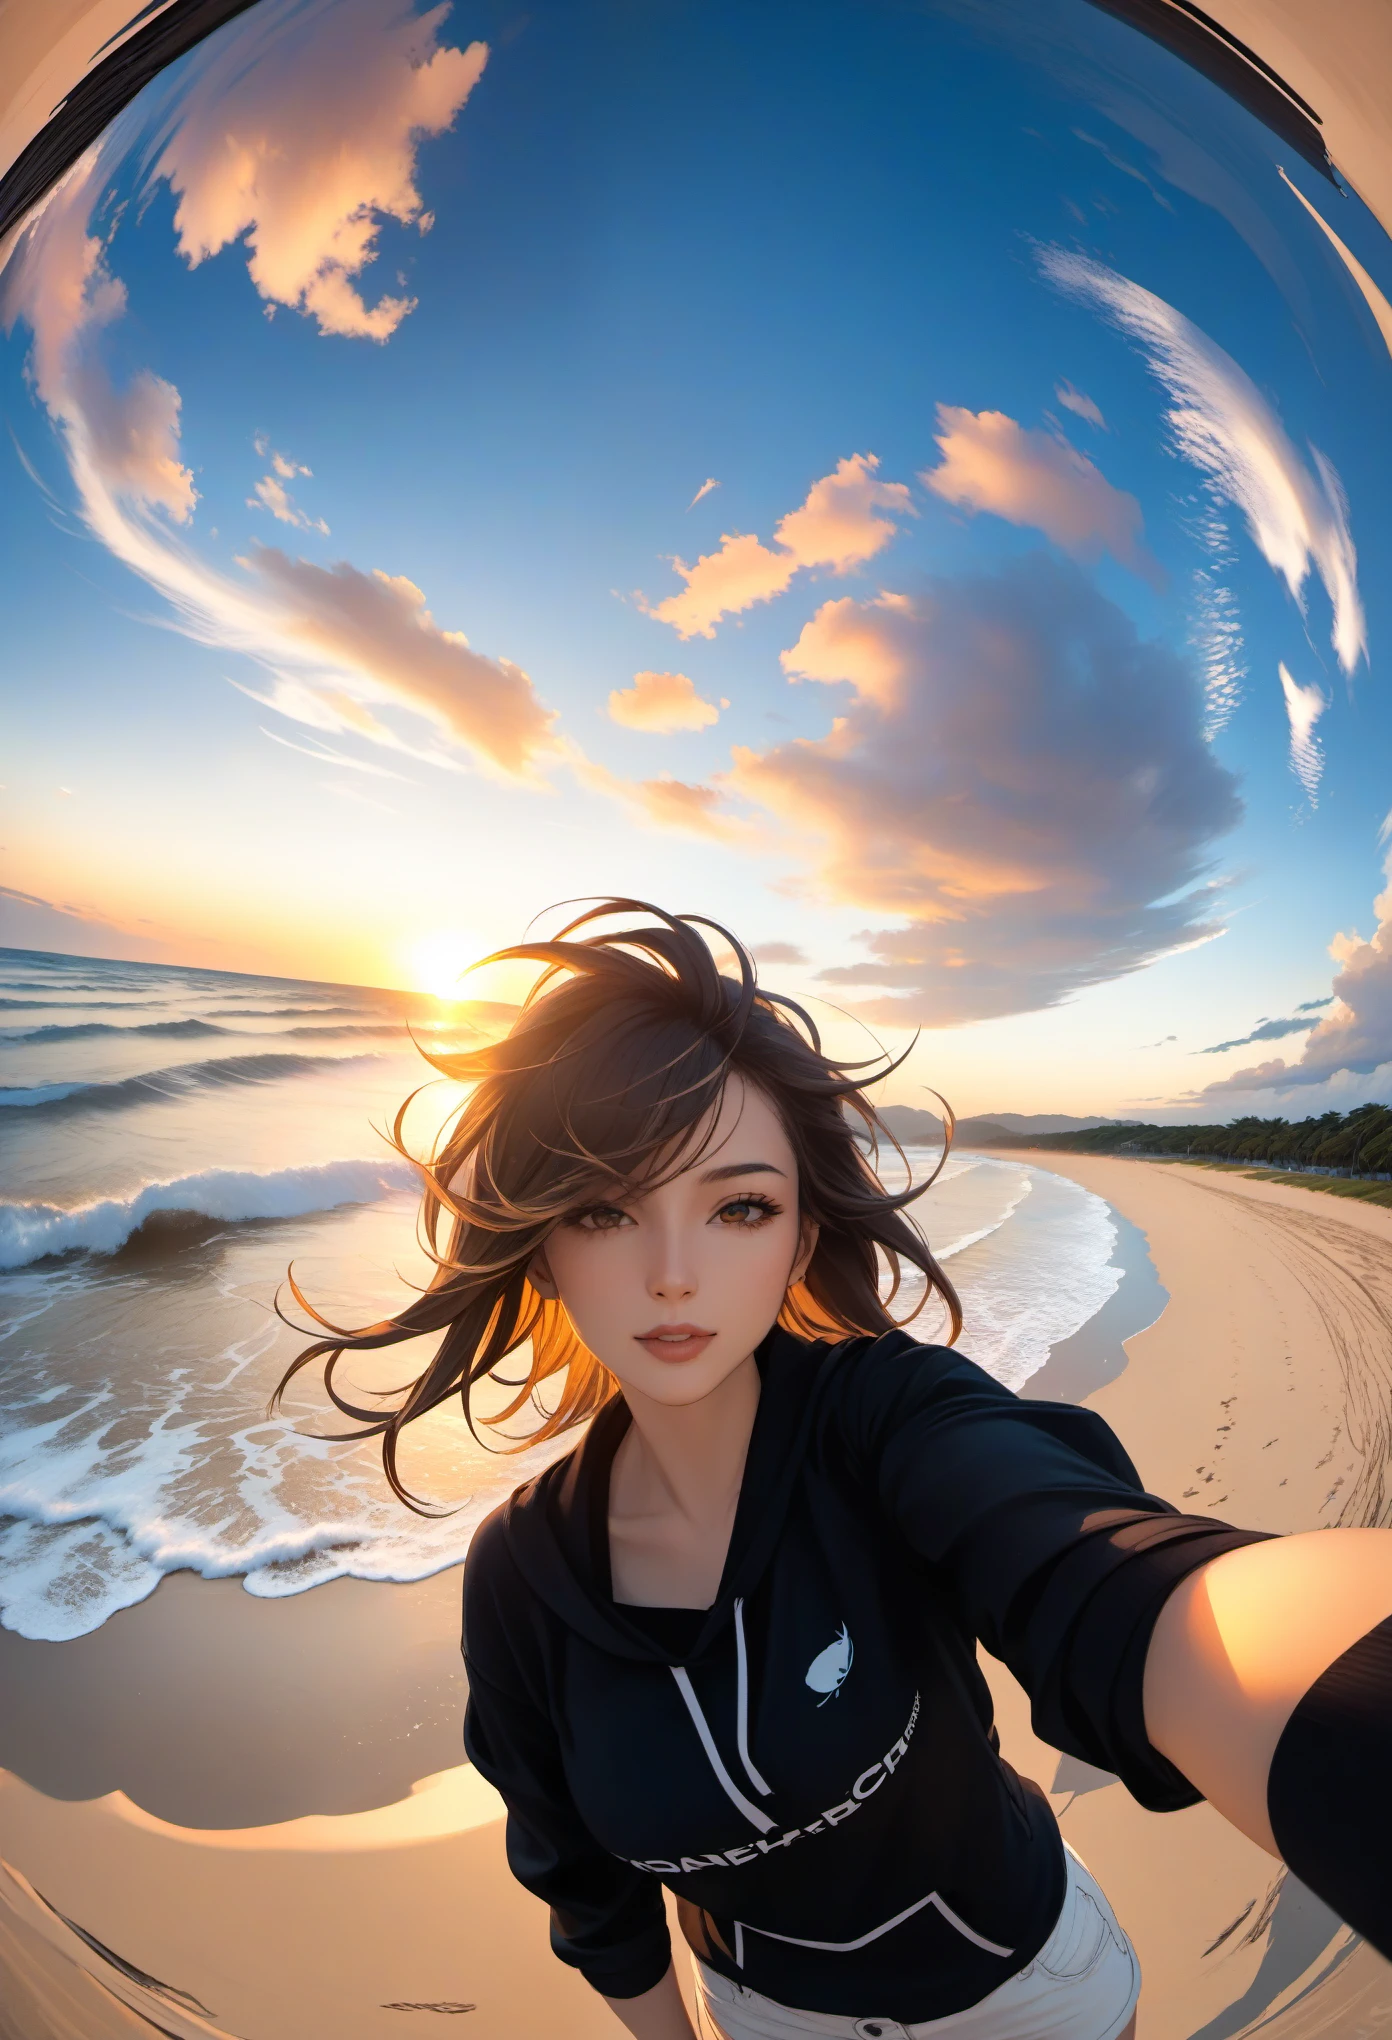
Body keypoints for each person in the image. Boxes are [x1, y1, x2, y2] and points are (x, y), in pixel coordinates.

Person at [277, 900, 1392, 2040]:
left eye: (739, 1208)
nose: (673, 1274)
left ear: (799, 1240)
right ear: (548, 1252)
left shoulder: (888, 1421)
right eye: (606, 1209)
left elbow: (1110, 1583)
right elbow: (584, 1883)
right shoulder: (520, 1574)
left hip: (1032, 1999)